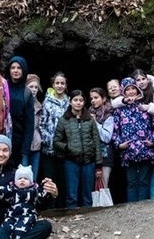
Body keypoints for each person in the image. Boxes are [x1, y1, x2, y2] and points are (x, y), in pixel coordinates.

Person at [112, 78, 154, 202]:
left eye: (133, 88)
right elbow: (115, 131)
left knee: (144, 181)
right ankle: (132, 209)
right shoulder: (119, 110)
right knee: (131, 182)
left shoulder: (145, 106)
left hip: (145, 150)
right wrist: (119, 144)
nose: (131, 92)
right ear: (123, 92)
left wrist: (153, 141)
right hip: (128, 152)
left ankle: (144, 209)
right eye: (127, 89)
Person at [53, 90, 102, 208]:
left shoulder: (90, 119)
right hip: (71, 161)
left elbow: (96, 141)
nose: (78, 103)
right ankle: (72, 222)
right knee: (72, 195)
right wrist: (68, 147)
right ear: (70, 102)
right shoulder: (63, 120)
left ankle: (88, 222)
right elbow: (56, 141)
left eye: (81, 100)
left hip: (88, 161)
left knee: (87, 196)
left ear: (84, 102)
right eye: (75, 100)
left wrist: (98, 164)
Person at [39, 72, 70, 206]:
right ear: (53, 84)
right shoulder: (46, 102)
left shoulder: (70, 102)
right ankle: (49, 207)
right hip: (49, 148)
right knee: (49, 179)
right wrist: (49, 141)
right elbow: (41, 124)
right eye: (57, 83)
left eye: (62, 83)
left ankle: (62, 207)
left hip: (65, 149)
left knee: (63, 179)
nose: (60, 86)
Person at [7, 56, 36, 168]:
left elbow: (29, 123)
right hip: (2, 138)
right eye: (13, 67)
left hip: (19, 141)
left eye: (19, 68)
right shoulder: (3, 86)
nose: (15, 70)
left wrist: (25, 150)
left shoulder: (27, 92)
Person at [89, 87, 115, 189]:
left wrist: (95, 123)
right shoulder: (89, 113)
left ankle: (104, 204)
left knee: (103, 184)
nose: (93, 101)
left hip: (105, 155)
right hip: (92, 154)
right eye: (91, 98)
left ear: (103, 99)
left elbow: (107, 137)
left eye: (96, 97)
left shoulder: (108, 115)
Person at [25, 74, 43, 179]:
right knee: (23, 176)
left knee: (33, 177)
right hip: (24, 145)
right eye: (31, 86)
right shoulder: (21, 103)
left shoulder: (40, 106)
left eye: (36, 87)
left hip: (36, 144)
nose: (34, 89)